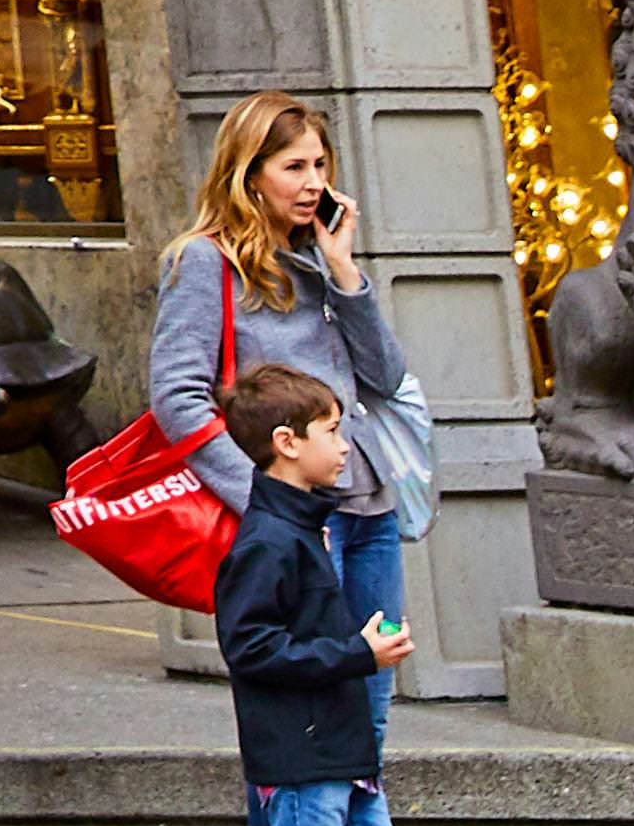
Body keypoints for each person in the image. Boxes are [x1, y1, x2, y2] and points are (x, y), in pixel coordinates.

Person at [150, 95, 442, 695]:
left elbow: (385, 377)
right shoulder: (205, 262)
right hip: (296, 516)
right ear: (249, 174)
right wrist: (263, 500)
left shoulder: (321, 257)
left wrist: (345, 273)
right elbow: (178, 399)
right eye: (294, 168)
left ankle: (366, 794)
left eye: (320, 166)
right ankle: (317, 796)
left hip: (370, 508)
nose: (313, 184)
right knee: (317, 695)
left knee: (375, 696)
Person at [206, 362, 415, 826]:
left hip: (341, 755)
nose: (345, 448)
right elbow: (249, 648)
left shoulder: (300, 527)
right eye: (331, 432)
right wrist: (359, 654)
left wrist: (361, 651)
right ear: (287, 443)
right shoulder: (268, 540)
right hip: (305, 760)